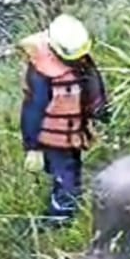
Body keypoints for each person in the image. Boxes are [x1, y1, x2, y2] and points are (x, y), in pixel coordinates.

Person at [19, 13, 110, 224]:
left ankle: (63, 200)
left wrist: (100, 111)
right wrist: (33, 147)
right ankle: (61, 216)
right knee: (65, 174)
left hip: (73, 131)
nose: (77, 61)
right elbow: (33, 111)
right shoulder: (42, 74)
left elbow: (93, 85)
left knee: (69, 168)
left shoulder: (81, 61)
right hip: (52, 137)